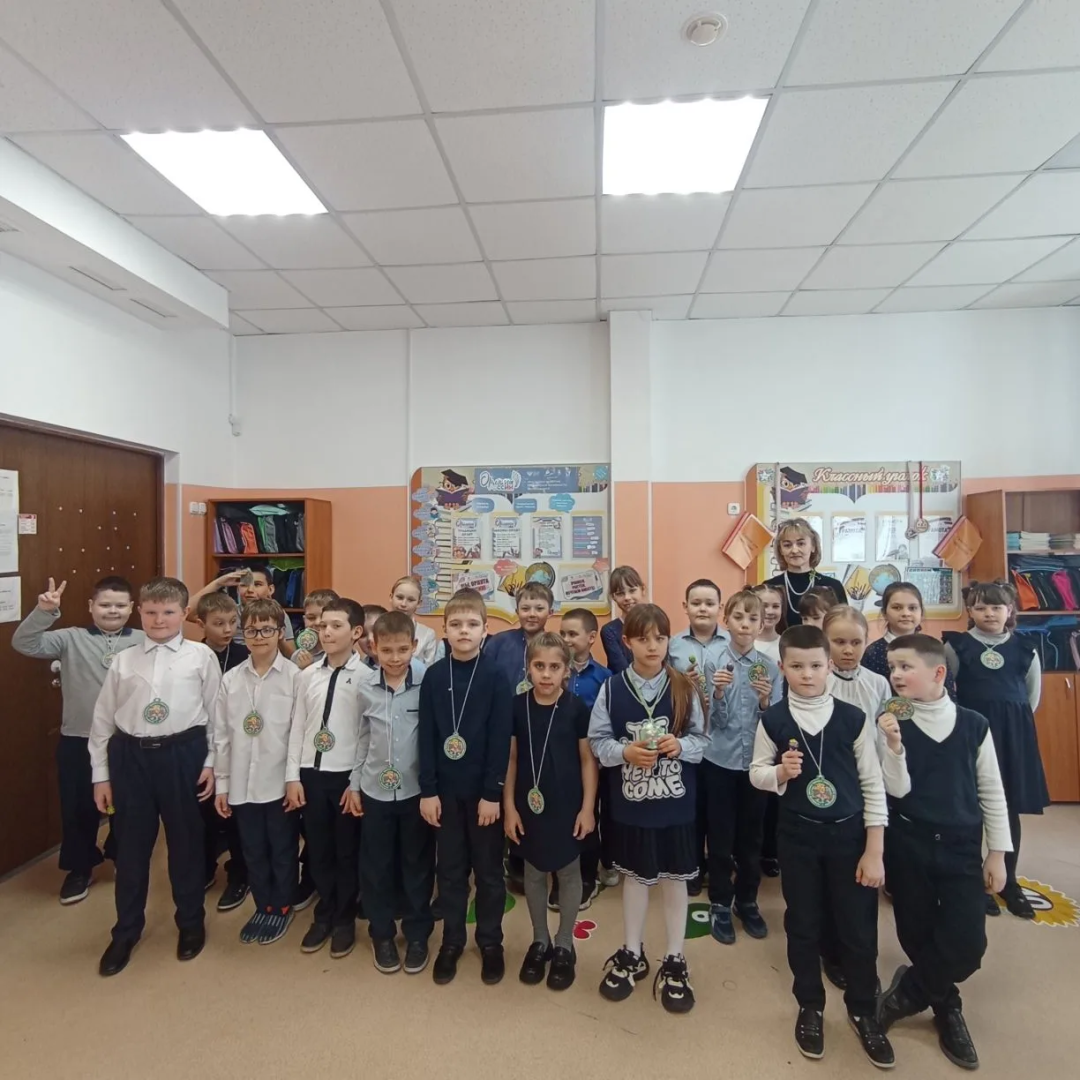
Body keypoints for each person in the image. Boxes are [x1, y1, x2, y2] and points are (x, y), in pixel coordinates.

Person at [749, 624, 893, 1067]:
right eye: (797, 666)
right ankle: (809, 1005)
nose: (807, 674)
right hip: (798, 836)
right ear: (782, 668)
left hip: (849, 836)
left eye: (815, 665)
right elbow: (755, 772)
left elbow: (872, 783)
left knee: (857, 927)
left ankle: (864, 1009)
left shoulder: (853, 718)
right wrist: (779, 774)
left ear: (829, 665)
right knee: (803, 923)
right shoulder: (774, 719)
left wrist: (874, 849)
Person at [876, 634, 1011, 1071]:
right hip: (909, 842)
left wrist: (997, 853)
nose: (896, 674)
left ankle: (905, 995)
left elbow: (992, 790)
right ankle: (946, 1005)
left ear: (938, 672)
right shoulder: (891, 720)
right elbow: (897, 789)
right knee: (916, 933)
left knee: (967, 946)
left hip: (960, 846)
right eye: (892, 667)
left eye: (905, 666)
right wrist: (894, 747)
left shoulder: (973, 724)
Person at [89, 577, 221, 977]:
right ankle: (126, 931)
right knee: (131, 848)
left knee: (186, 844)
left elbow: (218, 716)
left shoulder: (200, 657)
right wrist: (101, 775)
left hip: (184, 754)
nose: (159, 620)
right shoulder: (124, 660)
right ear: (139, 613)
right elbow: (102, 720)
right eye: (150, 612)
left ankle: (191, 923)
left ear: (184, 614)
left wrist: (212, 762)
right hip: (131, 758)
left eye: (167, 612)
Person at [589, 603, 708, 1015]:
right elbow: (597, 743)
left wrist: (681, 745)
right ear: (627, 642)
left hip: (676, 805)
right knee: (636, 879)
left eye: (660, 638)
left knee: (675, 881)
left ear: (669, 639)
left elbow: (701, 740)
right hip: (631, 805)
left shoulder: (684, 687)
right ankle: (631, 952)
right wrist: (624, 752)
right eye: (643, 639)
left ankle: (675, 957)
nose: (653, 646)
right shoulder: (610, 689)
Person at [11, 575, 143, 905]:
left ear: (131, 608)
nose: (112, 611)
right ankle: (80, 867)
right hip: (79, 739)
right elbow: (24, 643)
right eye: (104, 604)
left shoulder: (143, 640)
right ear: (91, 606)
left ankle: (122, 855)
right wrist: (44, 611)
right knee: (78, 806)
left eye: (119, 605)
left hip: (128, 740)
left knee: (128, 805)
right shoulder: (70, 638)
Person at [418, 589, 513, 986]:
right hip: (445, 794)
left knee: (489, 873)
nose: (464, 631)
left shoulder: (496, 676)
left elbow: (500, 738)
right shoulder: (434, 676)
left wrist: (492, 794)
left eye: (472, 624)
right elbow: (426, 736)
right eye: (455, 624)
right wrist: (428, 790)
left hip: (483, 795)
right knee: (451, 871)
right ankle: (452, 942)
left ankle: (490, 942)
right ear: (444, 630)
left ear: (485, 630)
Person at [943, 580, 1047, 920]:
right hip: (972, 736)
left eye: (997, 607)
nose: (989, 613)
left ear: (1010, 610)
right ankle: (976, 881)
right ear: (970, 611)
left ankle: (1008, 881)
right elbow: (949, 692)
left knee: (1008, 809)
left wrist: (1010, 719)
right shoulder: (956, 646)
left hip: (1014, 736)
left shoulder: (1026, 648)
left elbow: (1031, 697)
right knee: (971, 808)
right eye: (981, 607)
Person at [505, 633, 597, 991]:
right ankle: (540, 940)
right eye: (539, 666)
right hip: (528, 803)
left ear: (566, 671)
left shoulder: (576, 708)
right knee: (533, 871)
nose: (546, 674)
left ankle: (564, 944)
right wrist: (509, 807)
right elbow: (512, 759)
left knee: (568, 872)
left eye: (554, 667)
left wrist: (587, 808)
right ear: (528, 667)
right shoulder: (517, 707)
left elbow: (588, 761)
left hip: (567, 803)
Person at [285, 598, 374, 959]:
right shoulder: (306, 675)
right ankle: (324, 913)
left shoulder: (367, 678)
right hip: (311, 775)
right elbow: (297, 728)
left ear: (356, 632)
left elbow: (366, 736)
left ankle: (344, 918)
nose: (326, 632)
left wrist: (356, 783)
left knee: (346, 851)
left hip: (345, 779)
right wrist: (293, 777)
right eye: (322, 625)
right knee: (318, 849)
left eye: (336, 626)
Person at [212, 599, 301, 946]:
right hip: (240, 781)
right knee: (251, 848)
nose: (259, 636)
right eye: (251, 630)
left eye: (267, 629)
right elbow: (221, 735)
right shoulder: (231, 679)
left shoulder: (294, 677)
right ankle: (263, 905)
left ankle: (282, 905)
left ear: (280, 632)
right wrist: (222, 784)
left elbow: (297, 734)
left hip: (278, 781)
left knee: (282, 847)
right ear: (242, 634)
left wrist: (293, 779)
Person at [355, 611, 435, 977]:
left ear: (414, 646)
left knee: (417, 865)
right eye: (386, 650)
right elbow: (362, 737)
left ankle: (417, 935)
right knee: (377, 867)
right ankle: (382, 934)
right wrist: (354, 784)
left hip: (415, 791)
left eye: (403, 649)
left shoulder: (427, 681)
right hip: (374, 789)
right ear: (373, 648)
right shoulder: (365, 686)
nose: (395, 657)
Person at [703, 590, 782, 946]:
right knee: (720, 837)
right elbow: (713, 721)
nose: (746, 624)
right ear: (727, 620)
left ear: (762, 624)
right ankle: (720, 901)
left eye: (753, 619)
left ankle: (747, 900)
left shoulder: (770, 667)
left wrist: (765, 701)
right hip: (719, 761)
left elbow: (775, 722)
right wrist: (718, 694)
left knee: (752, 838)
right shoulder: (713, 660)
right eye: (739, 617)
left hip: (756, 764)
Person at [194, 591, 250, 913]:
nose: (228, 629)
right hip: (199, 746)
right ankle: (203, 867)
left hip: (236, 745)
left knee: (235, 815)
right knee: (201, 814)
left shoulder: (244, 654)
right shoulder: (192, 655)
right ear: (201, 623)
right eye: (218, 623)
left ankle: (239, 874)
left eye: (232, 622)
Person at [560, 608, 616, 896]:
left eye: (573, 634)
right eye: (562, 634)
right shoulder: (556, 671)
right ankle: (563, 872)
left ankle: (588, 876)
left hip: (593, 760)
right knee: (563, 817)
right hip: (561, 759)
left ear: (592, 637)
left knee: (591, 814)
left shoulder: (605, 677)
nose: (566, 639)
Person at [861, 582, 957, 700]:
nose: (906, 613)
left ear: (921, 612)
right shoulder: (873, 652)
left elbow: (948, 692)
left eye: (912, 608)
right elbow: (867, 696)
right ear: (884, 613)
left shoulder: (932, 648)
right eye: (897, 608)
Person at [187, 566, 297, 659]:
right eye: (244, 585)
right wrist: (218, 583)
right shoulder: (229, 611)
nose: (250, 590)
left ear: (270, 589)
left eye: (257, 584)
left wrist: (278, 638)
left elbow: (291, 657)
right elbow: (187, 612)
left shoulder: (279, 614)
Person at [764, 518, 847, 629]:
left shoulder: (833, 586)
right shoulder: (769, 587)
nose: (794, 550)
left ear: (813, 546)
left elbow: (844, 626)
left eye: (801, 543)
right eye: (787, 545)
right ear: (780, 550)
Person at [484, 581, 553, 693]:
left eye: (539, 609)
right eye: (525, 609)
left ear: (550, 612)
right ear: (517, 612)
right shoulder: (497, 643)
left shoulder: (556, 647)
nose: (532, 614)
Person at [600, 566, 646, 674]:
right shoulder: (609, 631)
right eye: (620, 593)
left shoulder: (655, 624)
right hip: (623, 683)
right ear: (613, 597)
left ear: (642, 590)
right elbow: (621, 669)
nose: (627, 597)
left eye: (632, 590)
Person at [390, 575, 440, 666]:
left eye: (411, 600)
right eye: (400, 597)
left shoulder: (427, 634)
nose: (403, 604)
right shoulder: (378, 628)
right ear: (391, 597)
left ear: (419, 603)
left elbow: (429, 668)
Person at [293, 588, 339, 670]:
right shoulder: (298, 656)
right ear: (304, 620)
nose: (317, 622)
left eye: (323, 617)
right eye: (311, 618)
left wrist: (310, 669)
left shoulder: (340, 654)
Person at [753, 583, 784, 664]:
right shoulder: (742, 644)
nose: (770, 612)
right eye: (764, 606)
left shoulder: (787, 645)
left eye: (775, 606)